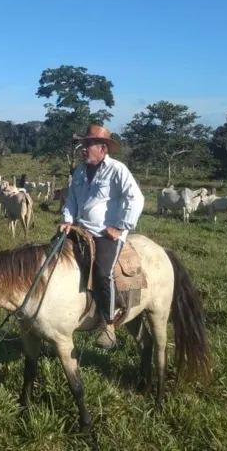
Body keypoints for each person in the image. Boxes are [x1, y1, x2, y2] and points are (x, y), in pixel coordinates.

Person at [58, 124, 145, 350]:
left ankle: (108, 325)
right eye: (83, 144)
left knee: (102, 270)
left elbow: (136, 198)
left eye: (89, 144)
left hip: (106, 233)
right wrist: (68, 219)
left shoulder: (117, 170)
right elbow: (72, 200)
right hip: (80, 228)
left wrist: (120, 226)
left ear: (103, 149)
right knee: (53, 256)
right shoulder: (79, 171)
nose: (84, 149)